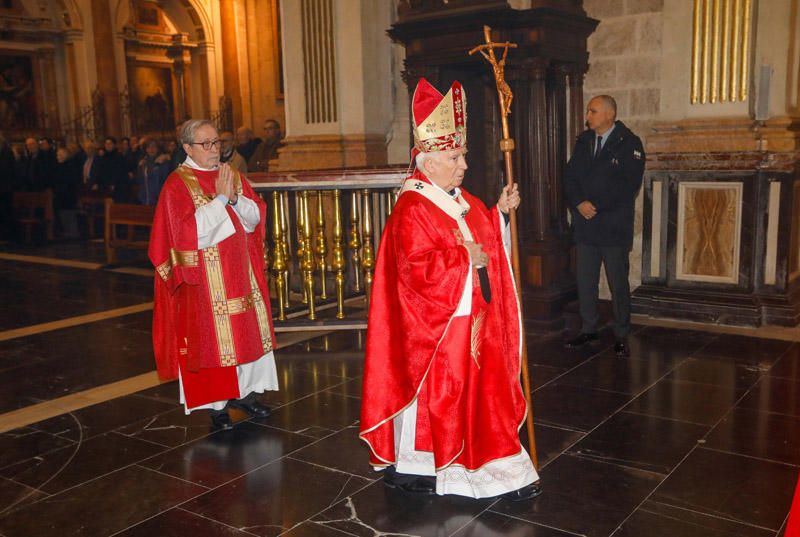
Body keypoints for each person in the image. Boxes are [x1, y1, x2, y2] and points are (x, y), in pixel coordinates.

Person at [359, 78, 541, 500]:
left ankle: (491, 462)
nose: (463, 165)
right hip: (437, 331)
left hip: (473, 319)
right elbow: (414, 270)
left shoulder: (462, 199)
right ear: (428, 161)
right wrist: (464, 260)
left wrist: (500, 214)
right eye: (455, 157)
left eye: (462, 156)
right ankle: (424, 464)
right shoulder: (412, 208)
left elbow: (485, 241)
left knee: (480, 395)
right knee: (443, 396)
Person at [149, 118, 278, 429]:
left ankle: (246, 394)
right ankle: (217, 406)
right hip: (205, 283)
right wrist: (221, 200)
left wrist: (233, 198)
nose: (213, 149)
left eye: (217, 142)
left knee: (245, 335)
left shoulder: (231, 175)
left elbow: (255, 215)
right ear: (187, 148)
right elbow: (185, 234)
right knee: (212, 343)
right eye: (206, 144)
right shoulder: (177, 184)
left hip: (239, 273)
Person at [563, 95, 645, 357]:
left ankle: (621, 333)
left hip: (612, 226)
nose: (588, 116)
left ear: (610, 114)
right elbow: (570, 176)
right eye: (588, 111)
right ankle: (588, 328)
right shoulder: (584, 142)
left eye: (593, 111)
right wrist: (578, 203)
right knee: (585, 281)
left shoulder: (629, 143)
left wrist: (593, 204)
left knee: (617, 283)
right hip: (586, 226)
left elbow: (627, 185)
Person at [135, 139, 170, 206]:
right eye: (149, 147)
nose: (151, 149)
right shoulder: (143, 163)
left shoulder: (163, 162)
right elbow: (139, 181)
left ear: (158, 149)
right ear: (146, 149)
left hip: (159, 200)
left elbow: (165, 180)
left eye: (154, 147)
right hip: (144, 200)